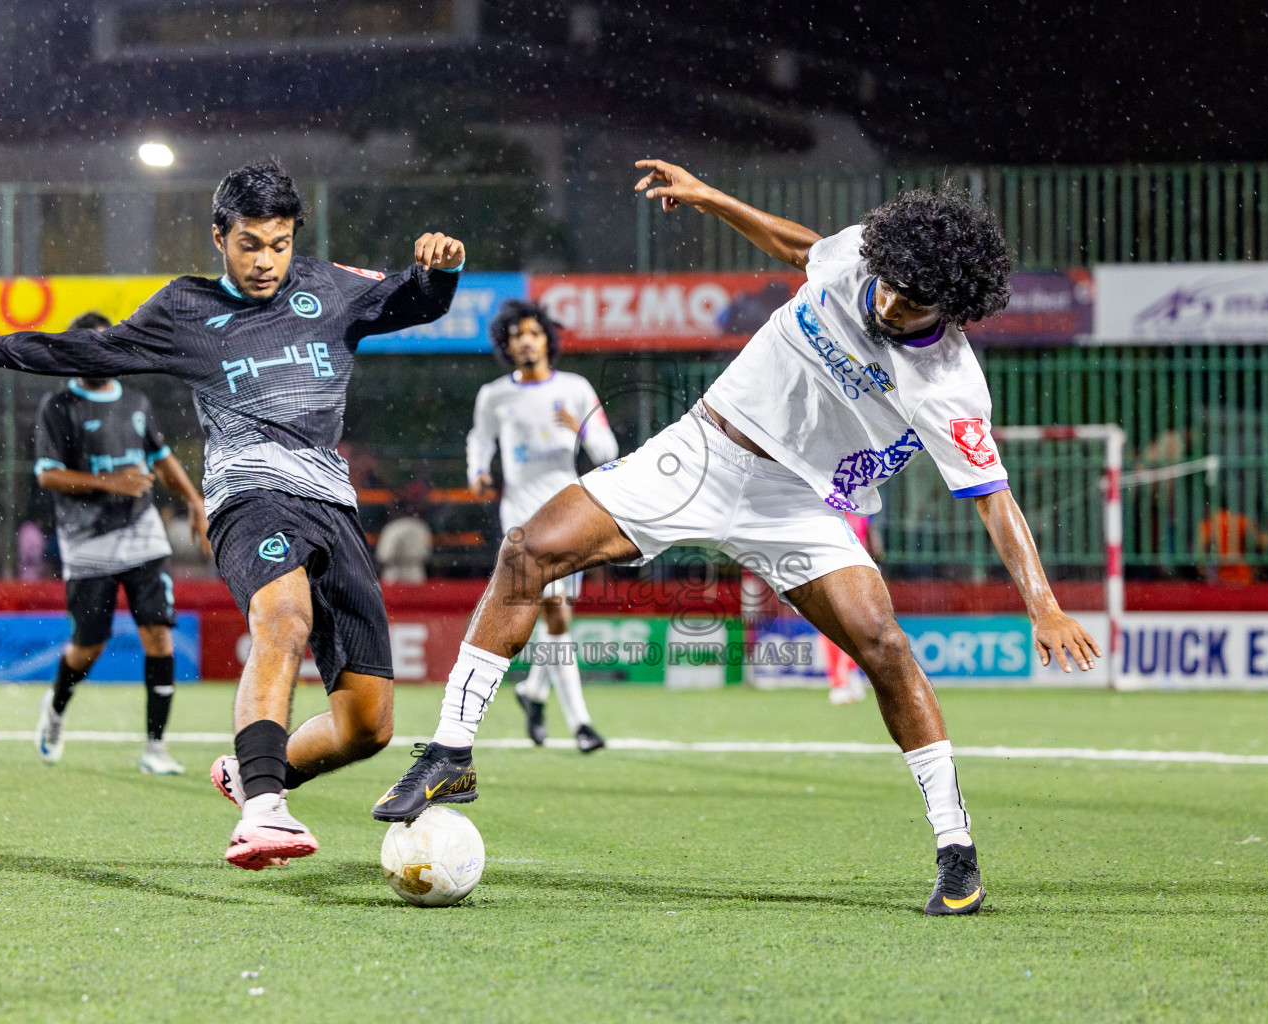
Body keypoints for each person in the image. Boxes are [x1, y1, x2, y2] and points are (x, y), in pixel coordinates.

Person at [372, 159, 1100, 917]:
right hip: (702, 453)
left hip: (800, 506)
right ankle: (452, 752)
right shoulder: (866, 259)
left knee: (884, 646)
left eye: (910, 299)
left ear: (949, 307)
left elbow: (993, 497)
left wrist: (1042, 604)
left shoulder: (949, 385)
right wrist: (714, 198)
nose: (886, 299)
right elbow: (800, 249)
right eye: (885, 281)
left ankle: (956, 853)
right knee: (527, 551)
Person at [0, 160, 464, 871]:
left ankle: (254, 770)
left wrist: (441, 270)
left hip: (332, 506)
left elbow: (416, 303)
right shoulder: (186, 310)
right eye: (251, 243)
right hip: (248, 499)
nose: (267, 260)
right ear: (220, 237)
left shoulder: (329, 287)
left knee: (367, 727)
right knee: (282, 621)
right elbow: (85, 349)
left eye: (280, 243)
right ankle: (262, 812)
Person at [31, 310, 210, 775]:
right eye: (87, 346)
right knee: (88, 647)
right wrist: (111, 482)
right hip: (86, 543)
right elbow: (47, 474)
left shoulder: (135, 400)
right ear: (73, 353)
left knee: (158, 637)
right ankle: (55, 708)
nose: (99, 353)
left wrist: (195, 501)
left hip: (142, 533)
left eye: (105, 343)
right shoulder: (57, 406)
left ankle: (154, 748)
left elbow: (161, 458)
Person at [467, 299, 619, 752]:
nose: (526, 341)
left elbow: (607, 452)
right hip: (519, 515)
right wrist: (477, 471)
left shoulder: (575, 388)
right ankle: (581, 725)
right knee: (555, 614)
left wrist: (583, 429)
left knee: (554, 617)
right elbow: (481, 438)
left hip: (569, 510)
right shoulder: (494, 395)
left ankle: (534, 693)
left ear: (546, 340)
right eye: (516, 335)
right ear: (506, 345)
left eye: (533, 332)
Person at [821, 512, 881, 705]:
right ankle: (838, 682)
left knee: (859, 626)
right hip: (831, 572)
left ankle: (852, 673)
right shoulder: (826, 510)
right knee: (833, 626)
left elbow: (874, 543)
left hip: (858, 572)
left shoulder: (861, 510)